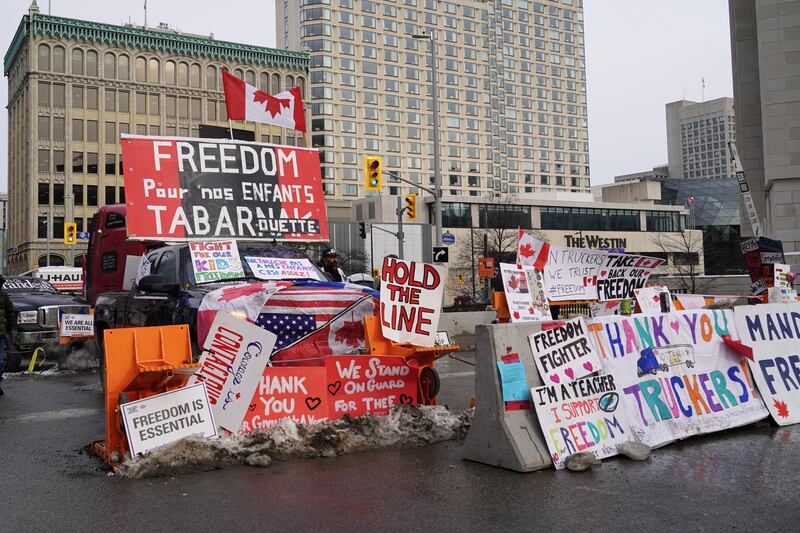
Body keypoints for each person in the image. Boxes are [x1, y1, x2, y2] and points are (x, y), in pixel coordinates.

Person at [0, 276, 13, 396]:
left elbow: (10, 312)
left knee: (0, 361)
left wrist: (11, 328)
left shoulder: (4, 296)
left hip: (1, 334)